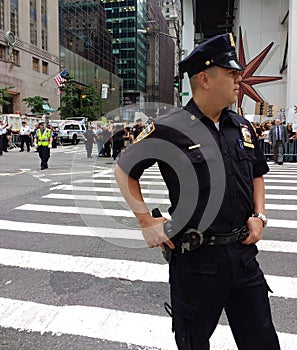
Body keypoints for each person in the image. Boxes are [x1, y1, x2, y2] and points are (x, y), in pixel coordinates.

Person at [115, 33, 280, 350]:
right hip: (197, 261)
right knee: (193, 343)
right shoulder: (170, 127)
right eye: (231, 73)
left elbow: (258, 172)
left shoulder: (241, 126)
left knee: (262, 341)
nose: (238, 79)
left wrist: (259, 215)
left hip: (243, 257)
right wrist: (146, 221)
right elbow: (124, 169)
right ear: (205, 79)